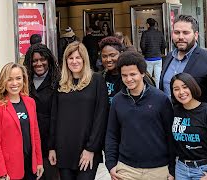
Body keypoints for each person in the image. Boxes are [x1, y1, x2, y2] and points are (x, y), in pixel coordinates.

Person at [105, 51, 175, 180]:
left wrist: (172, 169)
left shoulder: (161, 99)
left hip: (158, 170)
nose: (128, 79)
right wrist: (111, 164)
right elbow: (111, 134)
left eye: (133, 74)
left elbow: (170, 136)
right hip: (126, 169)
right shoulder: (117, 100)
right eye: (124, 75)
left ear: (143, 73)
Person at [48, 41, 108, 180]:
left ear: (84, 59)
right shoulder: (60, 83)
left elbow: (101, 117)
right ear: (66, 61)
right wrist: (52, 147)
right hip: (64, 149)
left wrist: (91, 148)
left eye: (78, 58)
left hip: (86, 149)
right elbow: (54, 117)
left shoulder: (97, 81)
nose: (74, 61)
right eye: (70, 58)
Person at [0, 63, 44, 180]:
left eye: (18, 78)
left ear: (24, 79)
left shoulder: (30, 102)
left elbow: (35, 134)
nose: (14, 83)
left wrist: (39, 161)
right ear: (4, 81)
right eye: (10, 79)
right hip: (8, 170)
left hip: (30, 165)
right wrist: (1, 172)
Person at [160, 15, 207, 113]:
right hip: (167, 120)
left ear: (196, 35)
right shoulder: (167, 58)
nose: (180, 37)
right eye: (177, 32)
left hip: (196, 123)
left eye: (185, 33)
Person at [170, 72, 207, 180]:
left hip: (205, 169)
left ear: (192, 87)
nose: (181, 92)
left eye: (185, 87)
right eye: (176, 89)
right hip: (181, 169)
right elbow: (171, 144)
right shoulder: (174, 112)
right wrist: (172, 171)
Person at [23, 43, 60, 180]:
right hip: (28, 142)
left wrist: (53, 146)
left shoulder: (58, 81)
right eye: (34, 60)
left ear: (49, 60)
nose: (39, 63)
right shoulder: (23, 82)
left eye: (42, 59)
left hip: (50, 144)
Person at [99, 36, 155, 105]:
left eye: (112, 55)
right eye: (104, 56)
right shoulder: (100, 77)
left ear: (121, 53)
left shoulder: (136, 75)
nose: (108, 59)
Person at [140, 18, 166, 89]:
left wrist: (145, 53)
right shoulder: (159, 33)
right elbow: (164, 45)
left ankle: (149, 91)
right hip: (158, 58)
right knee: (158, 78)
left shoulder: (145, 33)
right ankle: (158, 92)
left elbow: (142, 45)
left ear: (148, 24)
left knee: (148, 78)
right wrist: (160, 52)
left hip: (148, 58)